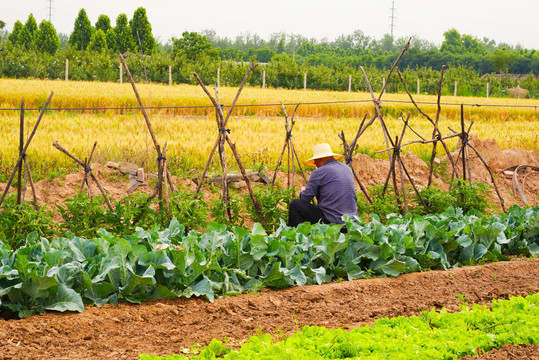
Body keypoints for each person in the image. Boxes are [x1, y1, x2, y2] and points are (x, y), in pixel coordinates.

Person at [287, 143, 358, 228]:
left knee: (295, 204)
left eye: (315, 162)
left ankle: (296, 237)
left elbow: (305, 198)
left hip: (332, 222)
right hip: (351, 223)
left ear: (319, 159)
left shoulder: (319, 172)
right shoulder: (347, 169)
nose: (316, 166)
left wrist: (303, 191)